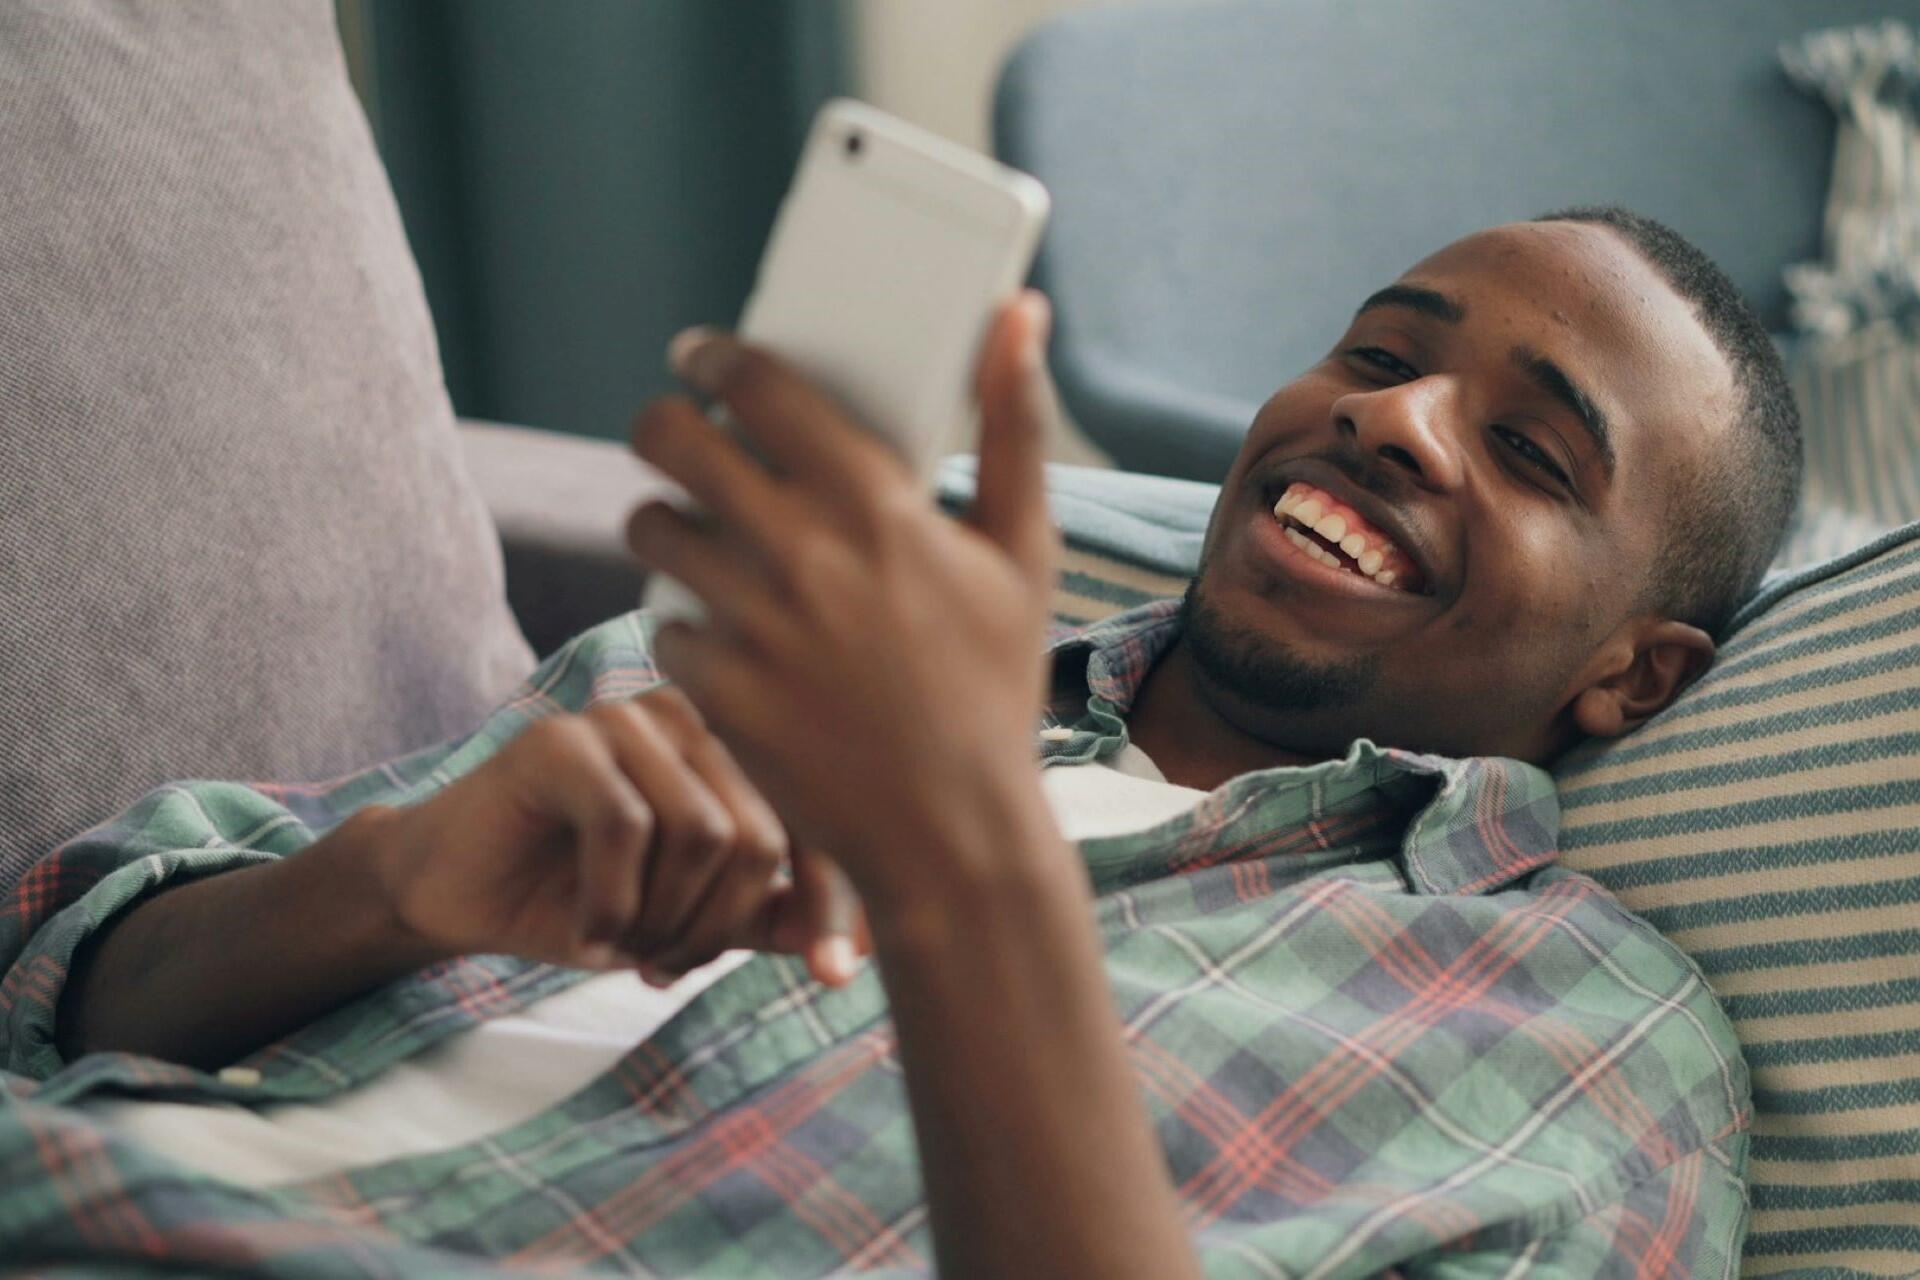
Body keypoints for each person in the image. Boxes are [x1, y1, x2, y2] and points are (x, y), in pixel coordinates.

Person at [1, 205, 1794, 1278]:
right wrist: (391, 887)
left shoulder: (1589, 1050)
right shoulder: (753, 664)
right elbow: (56, 982)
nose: (1393, 421)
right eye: (1380, 355)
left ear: (1633, 677)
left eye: (1531, 452)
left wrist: (958, 864)